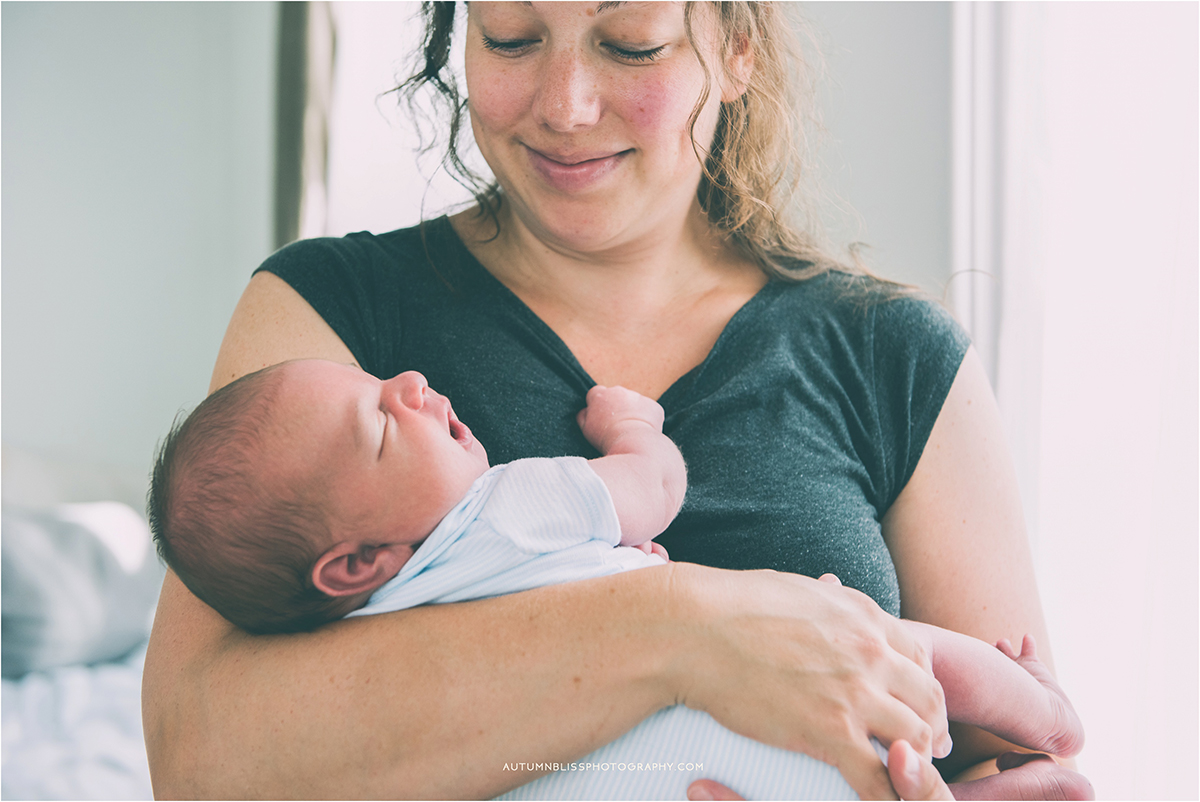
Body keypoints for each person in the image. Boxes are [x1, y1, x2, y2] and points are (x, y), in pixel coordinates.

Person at [141, 3, 1093, 799]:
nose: (565, 105)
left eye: (631, 41)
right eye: (511, 36)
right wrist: (690, 631)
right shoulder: (329, 318)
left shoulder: (896, 355)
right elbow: (202, 760)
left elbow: (1026, 762)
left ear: (735, 49)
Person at [152, 358, 1083, 799]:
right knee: (888, 639)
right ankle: (1039, 713)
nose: (407, 383)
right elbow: (655, 489)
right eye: (379, 422)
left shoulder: (353, 650)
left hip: (671, 778)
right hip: (786, 719)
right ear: (351, 561)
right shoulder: (507, 510)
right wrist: (630, 428)